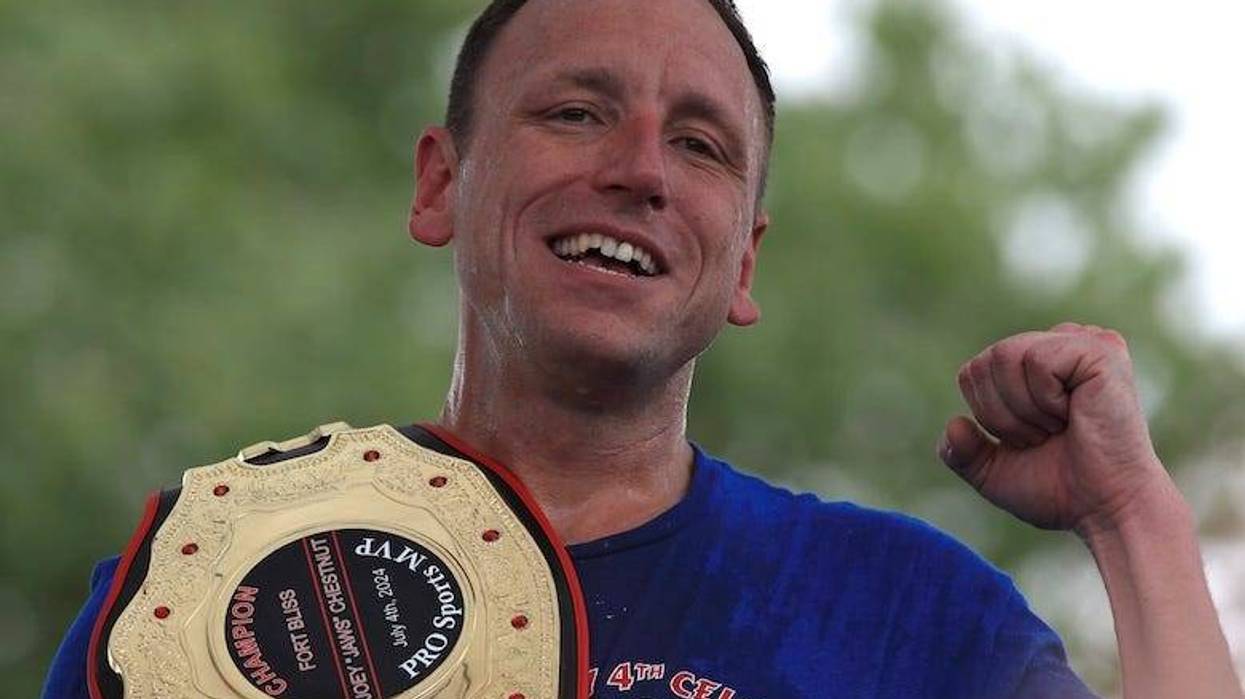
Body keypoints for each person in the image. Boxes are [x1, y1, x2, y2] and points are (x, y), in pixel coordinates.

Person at [43, 1, 1241, 697]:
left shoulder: (910, 619)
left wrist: (1133, 519)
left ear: (746, 266)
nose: (640, 173)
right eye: (575, 112)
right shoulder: (207, 591)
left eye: (705, 146)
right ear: (439, 184)